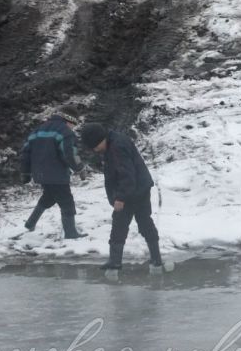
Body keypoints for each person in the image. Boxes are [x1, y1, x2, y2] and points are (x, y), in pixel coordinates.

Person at [80, 123, 162, 270]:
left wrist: (120, 198)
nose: (94, 150)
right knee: (142, 222)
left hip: (132, 191)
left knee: (122, 224)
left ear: (100, 139)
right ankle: (155, 259)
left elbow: (127, 174)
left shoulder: (117, 146)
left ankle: (117, 262)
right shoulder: (113, 142)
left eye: (94, 146)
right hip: (138, 189)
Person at [20, 106, 87, 239]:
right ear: (69, 120)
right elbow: (69, 154)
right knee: (67, 202)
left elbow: (26, 153)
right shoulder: (65, 132)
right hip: (56, 174)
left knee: (49, 197)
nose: (73, 128)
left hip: (40, 174)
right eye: (74, 124)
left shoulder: (37, 130)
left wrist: (25, 173)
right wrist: (79, 168)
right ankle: (71, 233)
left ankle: (30, 223)